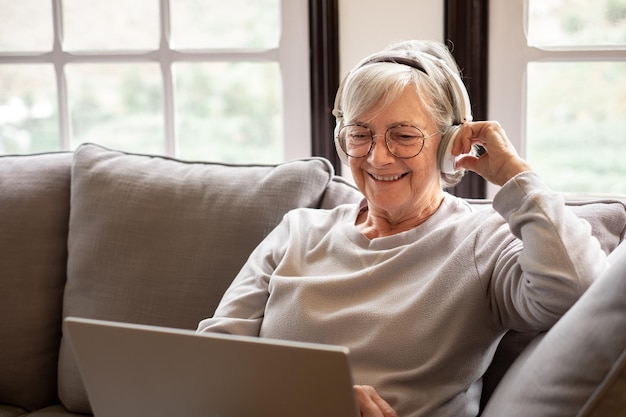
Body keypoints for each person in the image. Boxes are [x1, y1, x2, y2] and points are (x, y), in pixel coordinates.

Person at [197, 40, 607, 417]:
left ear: (451, 143)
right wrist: (319, 399)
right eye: (360, 134)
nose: (378, 158)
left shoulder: (484, 240)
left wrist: (514, 175)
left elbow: (579, 288)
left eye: (404, 136)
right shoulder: (299, 230)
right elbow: (209, 359)